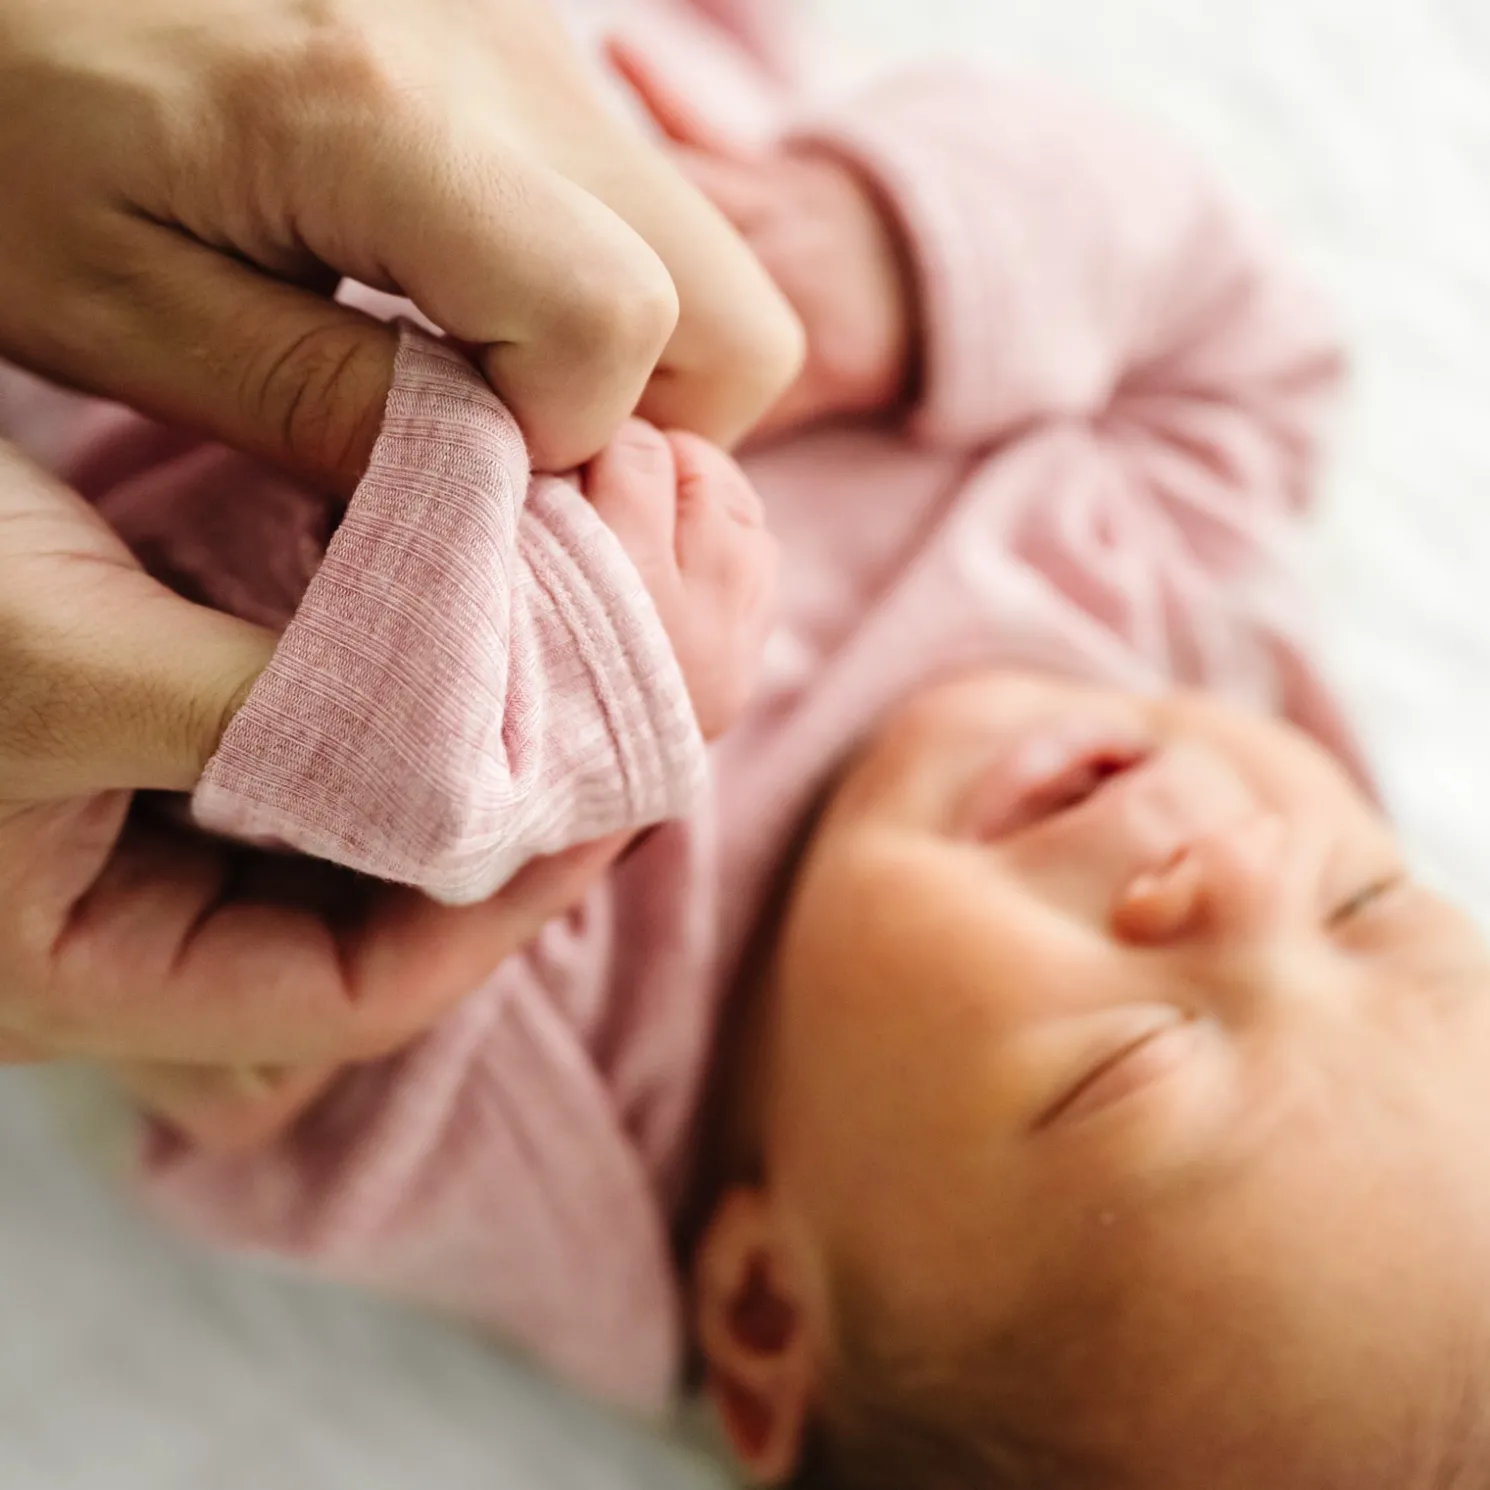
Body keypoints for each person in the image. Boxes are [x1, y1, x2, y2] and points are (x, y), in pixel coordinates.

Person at [19, 12, 1490, 1490]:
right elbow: (1225, 324)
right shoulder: (1167, 598)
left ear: (767, 1301)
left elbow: (154, 704)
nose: (1232, 872)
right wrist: (894, 250)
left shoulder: (517, 1090)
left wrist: (558, 677)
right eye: (1367, 901)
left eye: (1131, 1058)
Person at [0, 0, 803, 1071]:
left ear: (760, 1243)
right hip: (606, 124)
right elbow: (1101, 259)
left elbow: (246, 775)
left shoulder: (604, 1072)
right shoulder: (1078, 596)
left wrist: (575, 672)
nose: (1117, 882)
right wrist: (884, 237)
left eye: (1090, 1079)